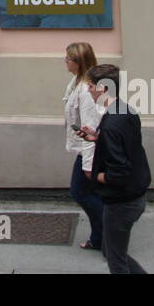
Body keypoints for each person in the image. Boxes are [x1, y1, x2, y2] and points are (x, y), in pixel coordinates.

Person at [80, 64, 151, 274]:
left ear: (103, 89)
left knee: (115, 260)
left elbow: (118, 174)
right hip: (135, 195)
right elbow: (125, 144)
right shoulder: (124, 110)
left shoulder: (111, 123)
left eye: (91, 86)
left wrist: (96, 177)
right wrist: (97, 138)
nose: (88, 90)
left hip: (122, 203)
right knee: (114, 252)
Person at [63, 41, 104, 251]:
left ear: (78, 63)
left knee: (80, 192)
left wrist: (88, 164)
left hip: (89, 151)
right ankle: (99, 237)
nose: (65, 62)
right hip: (84, 148)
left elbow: (91, 128)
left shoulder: (87, 91)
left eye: (68, 59)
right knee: (90, 193)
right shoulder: (77, 83)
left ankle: (108, 232)